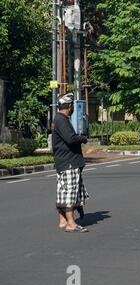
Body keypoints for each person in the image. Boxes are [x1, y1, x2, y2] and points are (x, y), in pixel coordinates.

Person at [52, 92, 89, 233]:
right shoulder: (62, 120)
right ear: (69, 106)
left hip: (63, 161)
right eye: (72, 105)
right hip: (69, 162)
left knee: (62, 191)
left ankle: (63, 220)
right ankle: (71, 223)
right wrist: (83, 138)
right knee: (70, 192)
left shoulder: (59, 119)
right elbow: (70, 139)